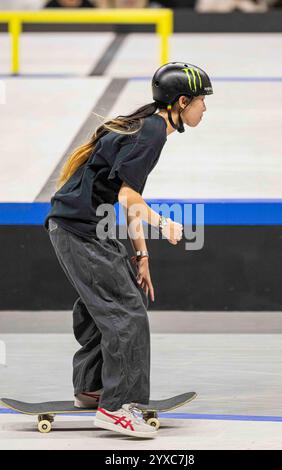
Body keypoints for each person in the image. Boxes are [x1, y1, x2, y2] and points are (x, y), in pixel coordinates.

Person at [44, 61, 213, 438]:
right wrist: (164, 224)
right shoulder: (151, 132)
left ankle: (91, 388)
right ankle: (118, 407)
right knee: (127, 313)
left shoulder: (151, 127)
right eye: (202, 101)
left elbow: (128, 195)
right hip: (79, 229)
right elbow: (128, 196)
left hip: (88, 228)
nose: (205, 108)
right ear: (181, 102)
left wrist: (142, 256)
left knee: (115, 301)